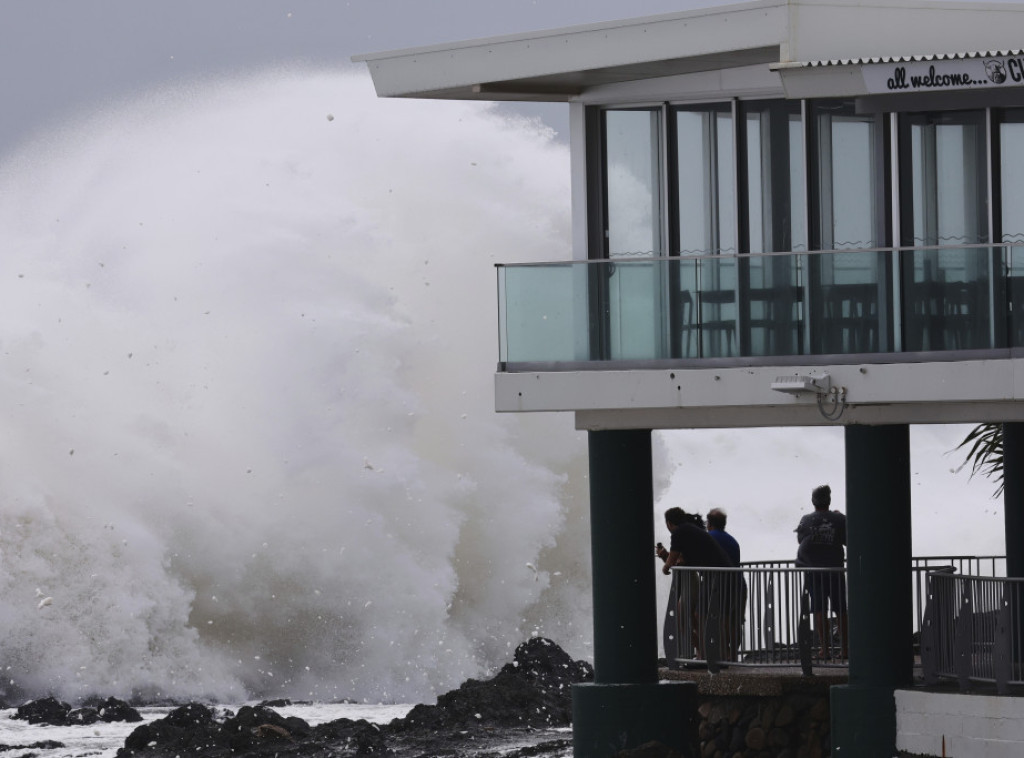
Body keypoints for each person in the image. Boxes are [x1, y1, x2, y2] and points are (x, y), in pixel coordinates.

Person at [657, 507, 731, 662]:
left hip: (715, 577)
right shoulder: (689, 531)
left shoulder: (679, 532)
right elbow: (681, 561)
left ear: (669, 523)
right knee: (696, 618)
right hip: (719, 575)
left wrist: (665, 565)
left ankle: (705, 653)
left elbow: (673, 561)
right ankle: (708, 652)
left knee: (690, 618)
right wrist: (667, 557)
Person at [795, 484, 848, 660]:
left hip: (814, 571)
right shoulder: (839, 519)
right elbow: (849, 539)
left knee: (819, 609)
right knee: (840, 609)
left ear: (813, 501)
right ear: (829, 500)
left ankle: (824, 650)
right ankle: (845, 649)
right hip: (835, 570)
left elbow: (800, 539)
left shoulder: (806, 519)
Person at [706, 508, 746, 660]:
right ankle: (733, 655)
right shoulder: (732, 540)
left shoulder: (709, 537)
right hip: (738, 582)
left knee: (721, 619)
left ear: (709, 524)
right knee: (734, 621)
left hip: (721, 585)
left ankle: (722, 654)